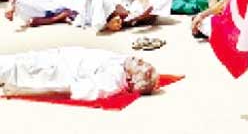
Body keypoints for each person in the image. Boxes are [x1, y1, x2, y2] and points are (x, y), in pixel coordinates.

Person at [0, 47, 158, 101]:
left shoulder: (111, 81)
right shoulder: (124, 62)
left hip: (41, 70)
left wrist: (20, 92)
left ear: (130, 79)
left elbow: (69, 91)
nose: (140, 59)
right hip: (47, 58)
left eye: (140, 64)